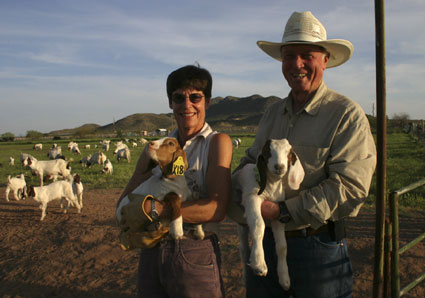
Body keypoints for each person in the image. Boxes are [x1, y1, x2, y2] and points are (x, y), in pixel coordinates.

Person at [228, 11, 377, 298]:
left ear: (325, 59)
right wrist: (232, 185)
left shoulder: (345, 115)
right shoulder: (272, 113)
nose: (296, 64)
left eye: (307, 54)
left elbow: (350, 188)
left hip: (317, 248)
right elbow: (251, 160)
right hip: (266, 243)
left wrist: (281, 210)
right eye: (288, 55)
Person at [117, 64, 233, 298]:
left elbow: (216, 208)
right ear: (170, 103)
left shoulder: (216, 143)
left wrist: (155, 209)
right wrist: (142, 170)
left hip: (194, 249)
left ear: (207, 102)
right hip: (151, 250)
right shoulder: (157, 148)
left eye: (195, 97)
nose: (187, 105)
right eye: (179, 97)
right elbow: (123, 205)